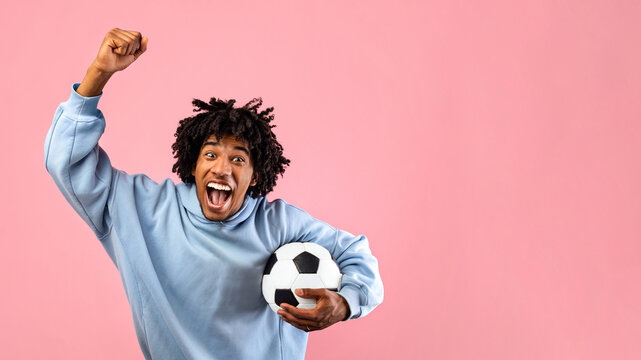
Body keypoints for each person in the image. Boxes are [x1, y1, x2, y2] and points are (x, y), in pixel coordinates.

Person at [45, 28, 383, 360]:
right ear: (191, 165)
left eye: (238, 158)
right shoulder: (138, 209)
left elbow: (358, 256)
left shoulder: (280, 224)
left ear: (255, 176)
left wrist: (344, 302)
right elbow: (66, 161)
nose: (222, 168)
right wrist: (99, 73)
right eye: (210, 154)